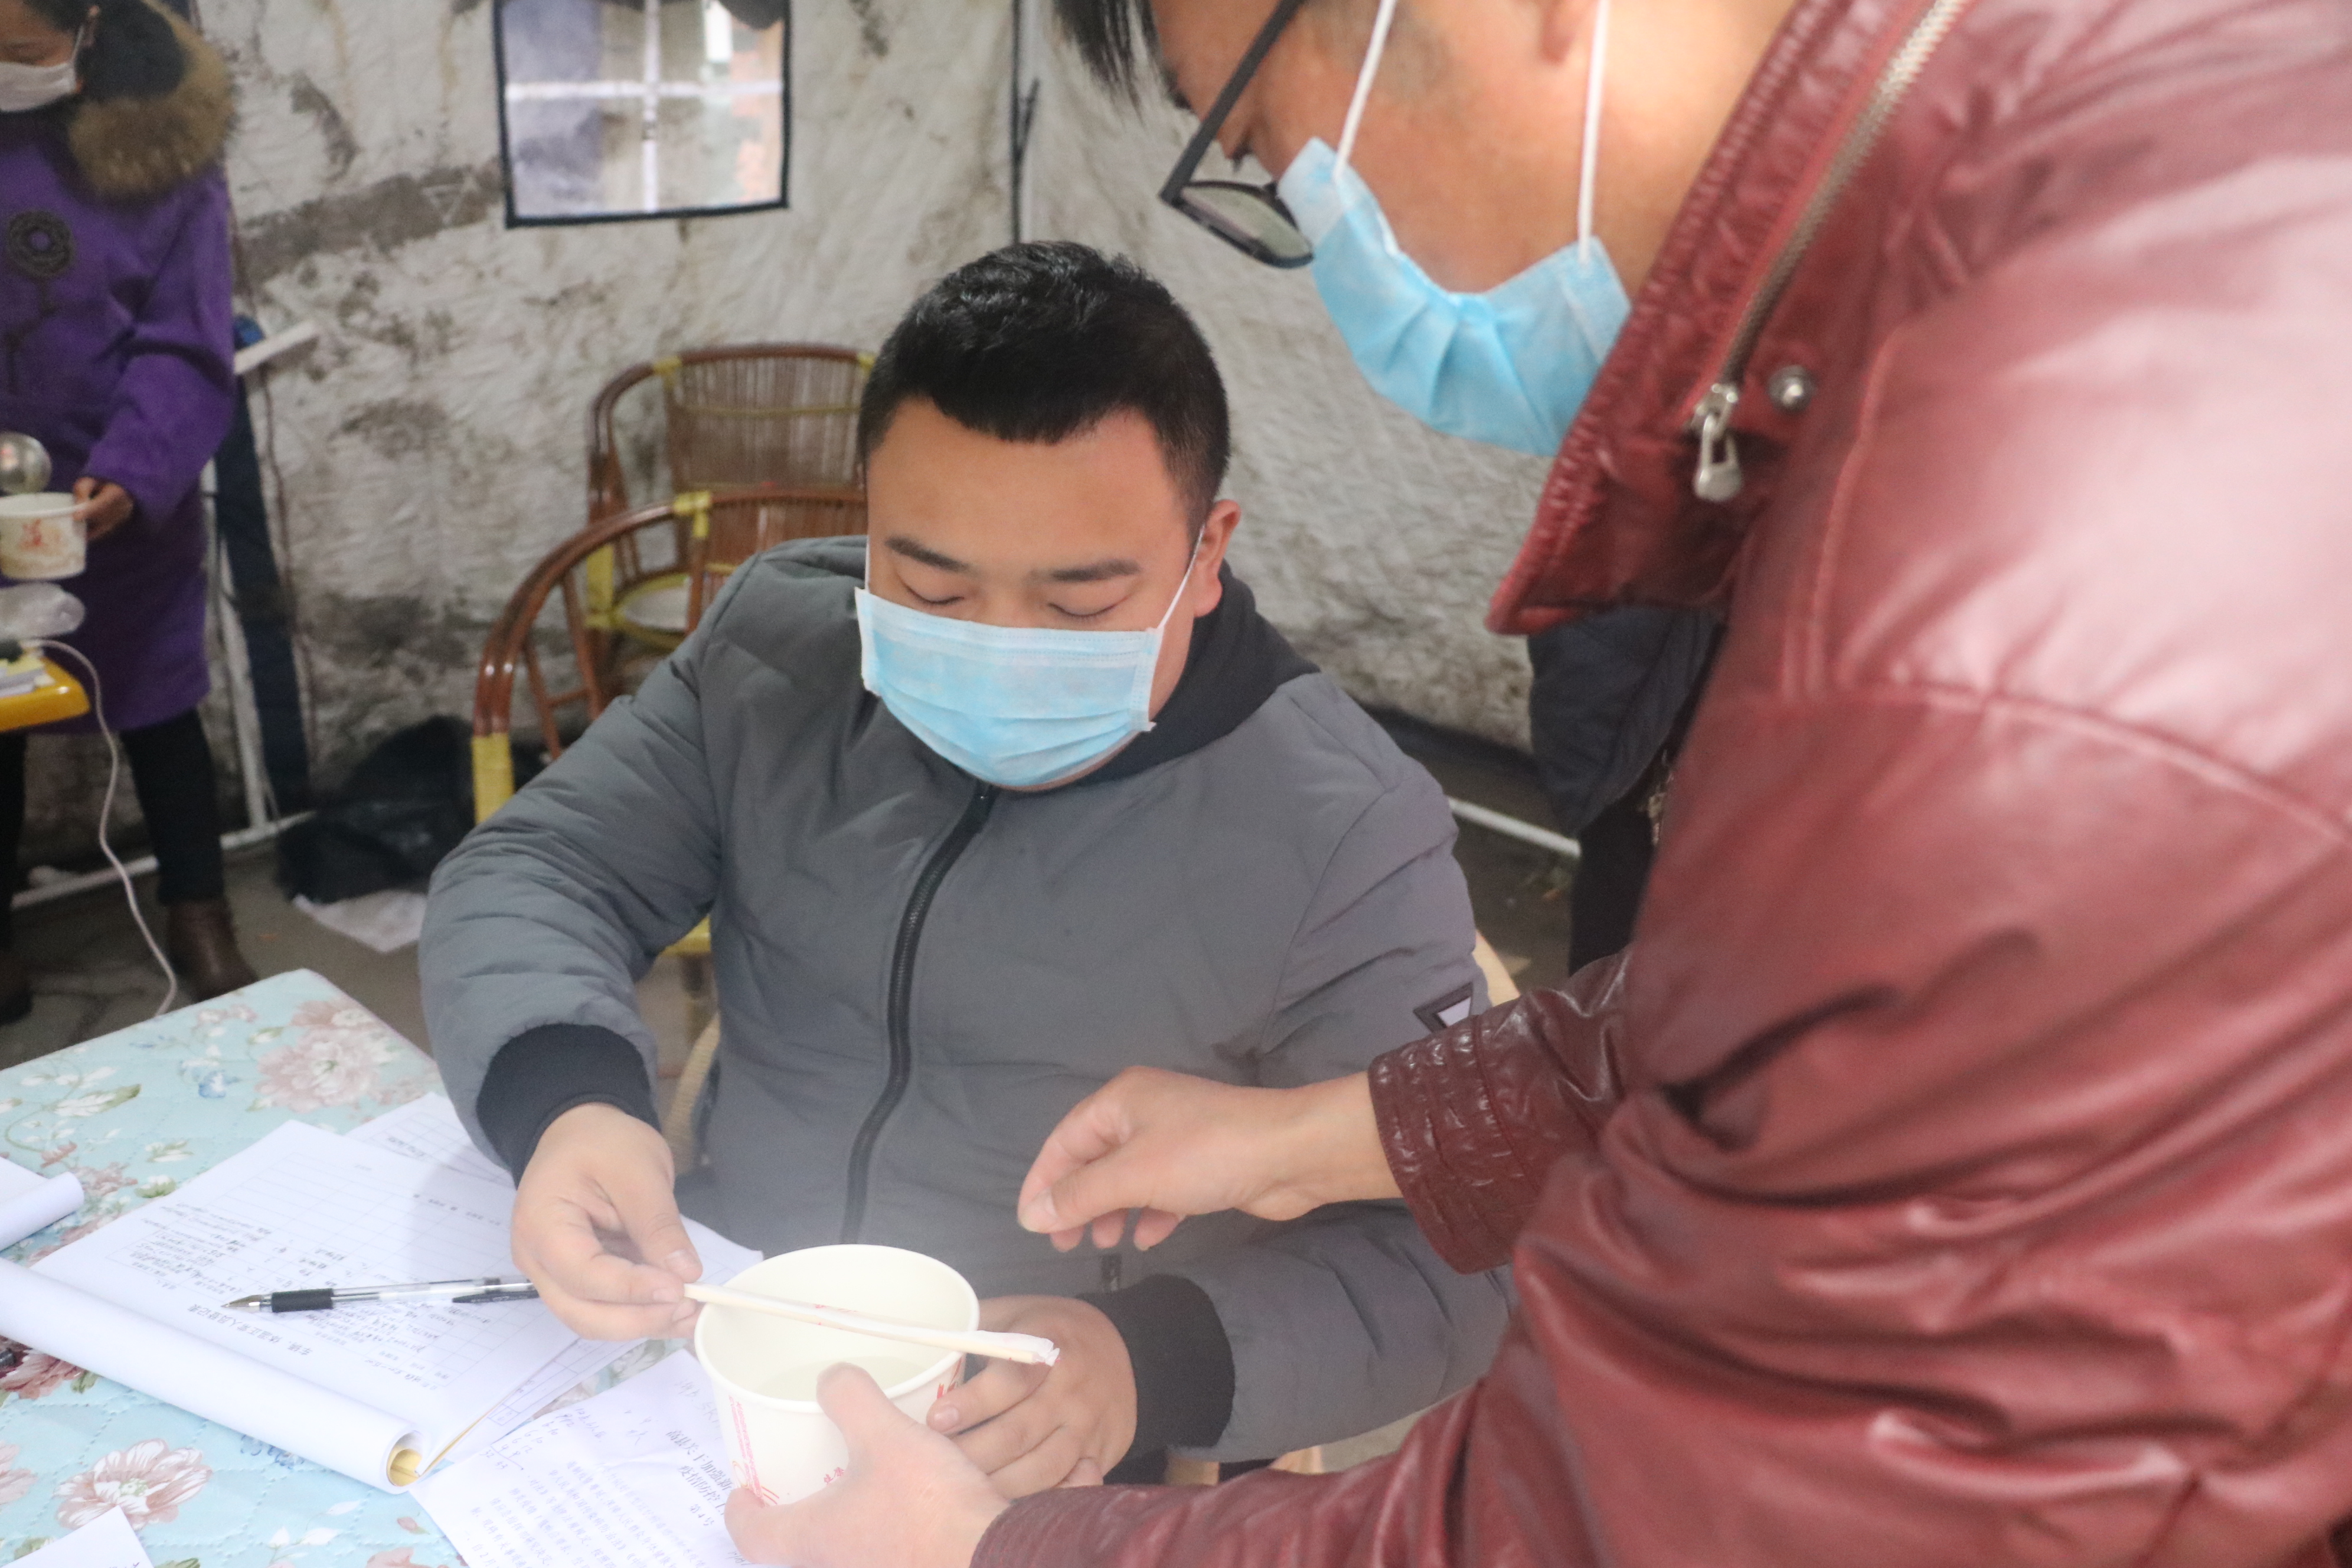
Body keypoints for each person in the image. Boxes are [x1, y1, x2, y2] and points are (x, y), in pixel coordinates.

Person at [718, 0, 2352, 1563]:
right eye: (930, 580)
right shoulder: (2119, 236)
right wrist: (1325, 1133)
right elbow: (1800, 1012)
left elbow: (1680, 1512)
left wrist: (1005, 1543)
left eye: (1273, 147)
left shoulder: (1999, 589)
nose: (1329, 239)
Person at [420, 241, 1511, 1497]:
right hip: (729, 1333)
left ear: (1207, 550)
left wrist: (1143, 1360)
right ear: (868, 521)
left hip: (1047, 1436)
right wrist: (568, 1103)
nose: (998, 651)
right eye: (931, 586)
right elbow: (545, 865)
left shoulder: (1340, 827)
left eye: (1080, 606)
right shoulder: (778, 655)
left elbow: (1459, 1247)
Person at [0, 0, 253, 1017]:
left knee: (157, 704)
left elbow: (187, 336)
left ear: (87, 19)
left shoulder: (161, 135)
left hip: (120, 490)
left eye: (18, 48)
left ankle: (198, 914)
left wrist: (136, 469)